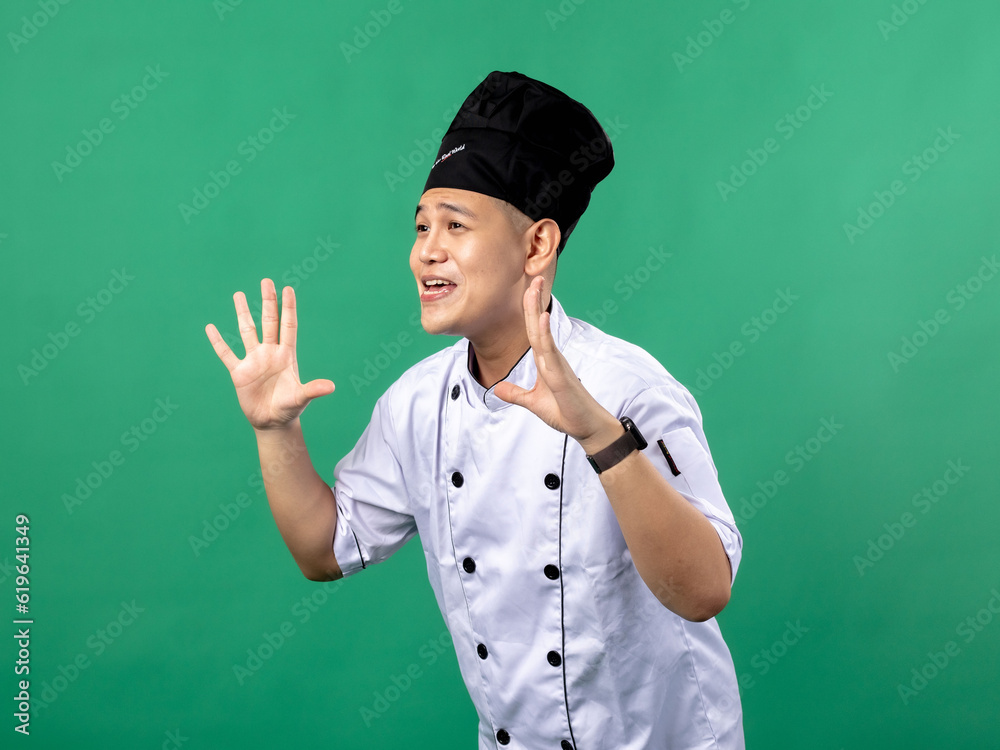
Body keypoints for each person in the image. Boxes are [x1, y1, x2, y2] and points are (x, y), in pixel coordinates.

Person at [206, 71, 745, 749]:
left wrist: (599, 436)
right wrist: (275, 429)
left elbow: (704, 592)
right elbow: (325, 549)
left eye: (455, 226)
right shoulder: (417, 405)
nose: (426, 250)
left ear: (536, 246)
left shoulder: (627, 388)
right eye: (422, 225)